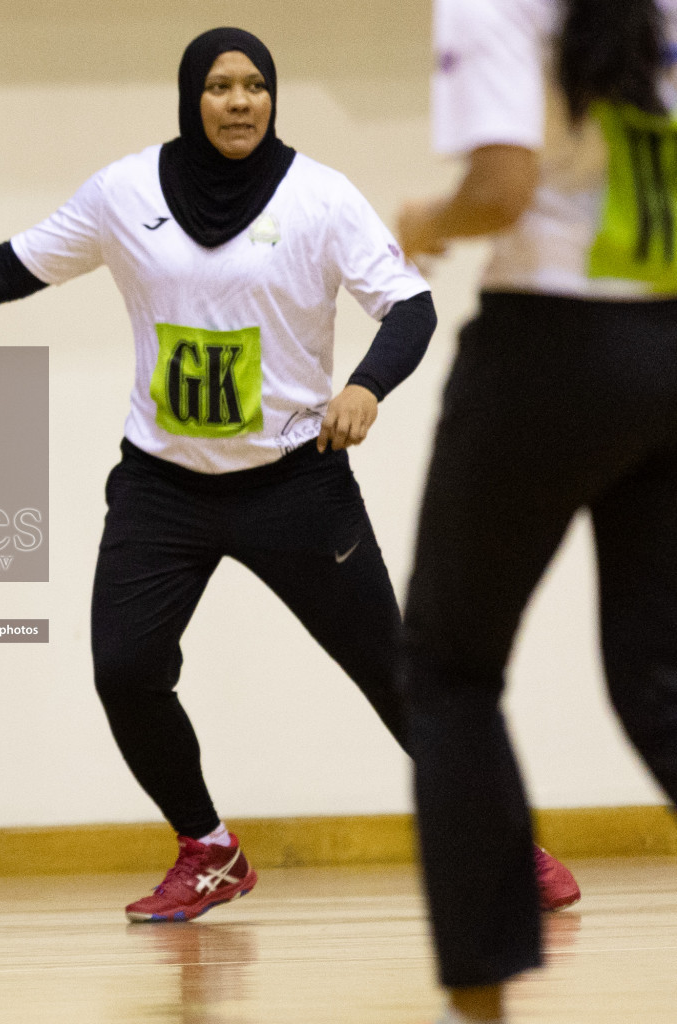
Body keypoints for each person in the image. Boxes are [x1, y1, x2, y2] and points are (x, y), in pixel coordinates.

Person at [0, 27, 580, 923]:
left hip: (296, 483)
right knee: (125, 669)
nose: (241, 101)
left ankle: (507, 846)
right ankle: (208, 850)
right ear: (191, 96)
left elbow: (411, 305)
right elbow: (16, 266)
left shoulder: (322, 198)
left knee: (397, 677)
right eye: (221, 85)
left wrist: (366, 385)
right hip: (162, 489)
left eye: (256, 85)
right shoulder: (126, 190)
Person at [397, 0, 677, 1020]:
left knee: (448, 666)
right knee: (658, 682)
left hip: (552, 347)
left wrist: (423, 220)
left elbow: (501, 188)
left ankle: (480, 997)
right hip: (669, 344)